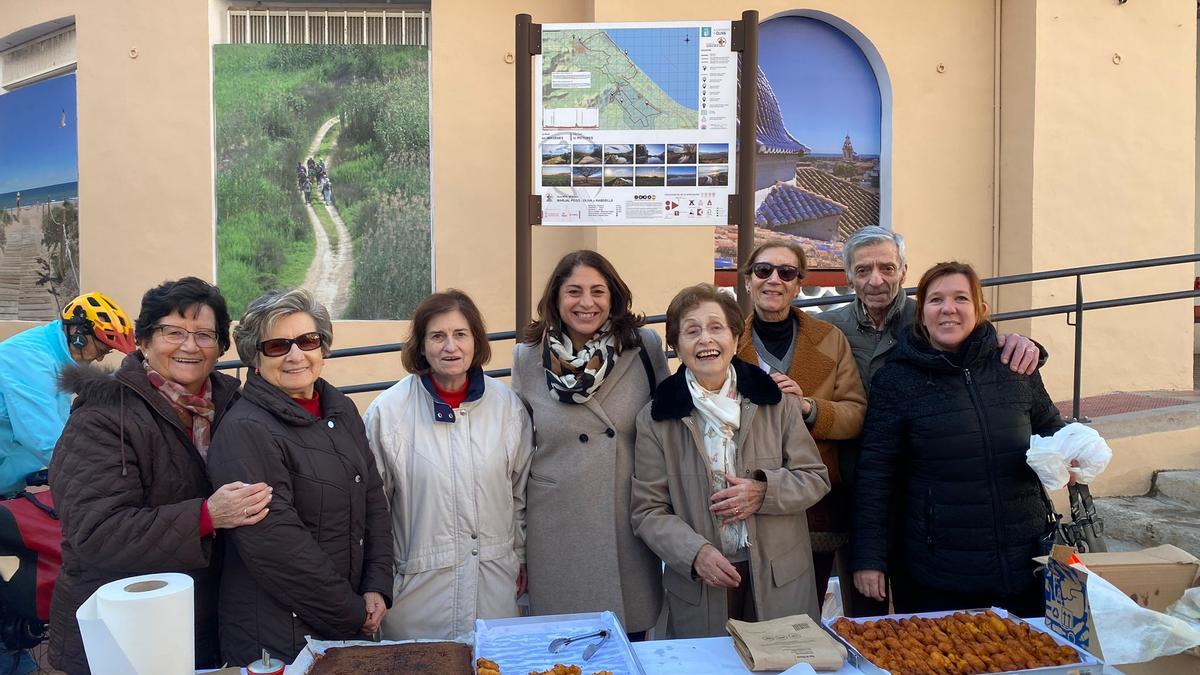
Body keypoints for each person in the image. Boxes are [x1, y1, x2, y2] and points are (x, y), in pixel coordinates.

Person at [49, 277, 273, 674]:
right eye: (173, 332)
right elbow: (95, 532)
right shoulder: (103, 417)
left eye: (204, 334)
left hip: (203, 620)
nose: (190, 346)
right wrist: (207, 516)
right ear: (144, 340)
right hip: (123, 628)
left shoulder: (234, 404)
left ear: (221, 347)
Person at [820, 225, 1043, 617]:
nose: (877, 280)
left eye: (887, 268)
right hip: (864, 476)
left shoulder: (929, 313)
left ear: (904, 271)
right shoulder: (829, 329)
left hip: (935, 486)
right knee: (870, 605)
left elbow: (984, 346)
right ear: (848, 276)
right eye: (864, 270)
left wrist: (1025, 346)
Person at [631, 284, 831, 637]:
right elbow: (648, 511)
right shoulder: (656, 419)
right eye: (692, 331)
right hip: (703, 583)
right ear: (677, 347)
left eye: (716, 327)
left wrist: (763, 491)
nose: (705, 339)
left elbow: (814, 477)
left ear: (736, 339)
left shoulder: (776, 403)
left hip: (777, 579)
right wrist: (694, 554)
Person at [206, 289, 392, 665]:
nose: (296, 355)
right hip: (277, 638)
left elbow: (373, 498)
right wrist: (353, 616)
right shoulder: (246, 429)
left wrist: (377, 585)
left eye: (308, 341)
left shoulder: (340, 409)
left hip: (342, 622)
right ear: (255, 359)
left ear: (323, 348)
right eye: (277, 345)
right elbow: (277, 548)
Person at [511, 250, 669, 640]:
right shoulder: (528, 356)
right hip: (557, 526)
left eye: (598, 291)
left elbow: (669, 423)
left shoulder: (644, 346)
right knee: (562, 648)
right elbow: (518, 448)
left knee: (626, 640)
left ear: (613, 297)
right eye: (574, 291)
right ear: (556, 298)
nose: (586, 302)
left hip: (625, 519)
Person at [365, 290, 533, 642]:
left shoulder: (508, 408)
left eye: (460, 334)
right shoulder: (388, 413)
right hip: (417, 600)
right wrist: (376, 582)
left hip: (493, 591)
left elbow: (520, 496)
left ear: (476, 341)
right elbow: (373, 510)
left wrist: (519, 556)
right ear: (422, 346)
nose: (450, 347)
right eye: (437, 336)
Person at [734, 240, 866, 611]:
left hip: (814, 499)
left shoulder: (829, 340)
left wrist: (808, 407)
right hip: (748, 493)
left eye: (786, 272)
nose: (774, 279)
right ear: (747, 280)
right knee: (746, 606)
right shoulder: (726, 341)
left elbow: (855, 414)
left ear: (799, 284)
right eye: (763, 270)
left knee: (802, 607)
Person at [0, 292, 135, 498]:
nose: (99, 359)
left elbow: (63, 429)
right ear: (76, 333)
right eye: (99, 349)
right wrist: (101, 478)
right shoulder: (29, 359)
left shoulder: (57, 356)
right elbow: (44, 438)